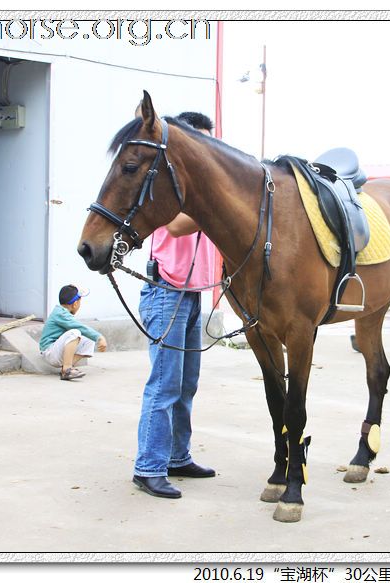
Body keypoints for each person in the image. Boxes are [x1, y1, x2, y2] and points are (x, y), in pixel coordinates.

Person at [132, 111, 218, 500]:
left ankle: (178, 457)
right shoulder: (171, 187)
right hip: (165, 290)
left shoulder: (199, 188)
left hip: (191, 293)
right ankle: (148, 467)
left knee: (186, 386)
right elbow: (178, 226)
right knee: (164, 386)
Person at [39, 284, 107, 381]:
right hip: (49, 352)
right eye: (79, 302)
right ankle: (67, 370)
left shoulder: (62, 312)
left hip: (56, 351)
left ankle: (66, 366)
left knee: (88, 339)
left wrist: (95, 337)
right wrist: (99, 337)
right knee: (75, 332)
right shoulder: (60, 313)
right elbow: (79, 327)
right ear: (75, 304)